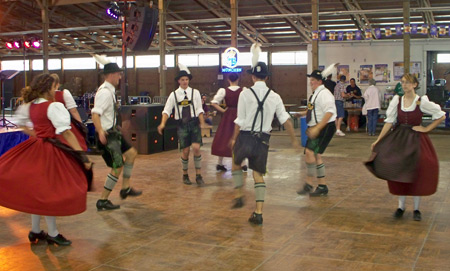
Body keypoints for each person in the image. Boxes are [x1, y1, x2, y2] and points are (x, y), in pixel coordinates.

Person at [0, 73, 92, 246]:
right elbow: (66, 132)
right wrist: (82, 155)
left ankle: (35, 230)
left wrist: (37, 134)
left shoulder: (30, 105)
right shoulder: (53, 107)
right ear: (49, 88)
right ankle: (52, 233)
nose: (55, 90)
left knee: (39, 192)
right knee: (49, 192)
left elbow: (21, 124)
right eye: (54, 87)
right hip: (49, 152)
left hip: (35, 147)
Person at [230, 43, 300, 225]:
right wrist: (294, 141)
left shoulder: (245, 94)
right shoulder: (275, 96)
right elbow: (286, 120)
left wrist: (233, 138)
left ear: (253, 76)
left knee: (236, 163)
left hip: (245, 136)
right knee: (258, 175)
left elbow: (240, 120)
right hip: (263, 140)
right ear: (267, 78)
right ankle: (258, 213)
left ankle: (238, 194)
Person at [365, 73, 445, 221]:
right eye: (402, 82)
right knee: (399, 171)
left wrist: (426, 129)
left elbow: (441, 115)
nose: (404, 85)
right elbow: (389, 122)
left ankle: (416, 209)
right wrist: (378, 140)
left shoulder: (421, 101)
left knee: (417, 171)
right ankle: (401, 206)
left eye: (408, 82)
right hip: (400, 138)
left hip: (416, 139)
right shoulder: (397, 100)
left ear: (415, 85)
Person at [92, 56, 141, 211]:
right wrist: (100, 131)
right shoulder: (105, 93)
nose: (120, 77)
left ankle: (125, 187)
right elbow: (95, 114)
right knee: (117, 166)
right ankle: (103, 200)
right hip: (107, 136)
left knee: (132, 153)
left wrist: (115, 125)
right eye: (119, 74)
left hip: (113, 133)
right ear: (111, 75)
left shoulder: (110, 91)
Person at [158, 63, 207, 186]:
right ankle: (185, 175)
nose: (185, 81)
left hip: (194, 122)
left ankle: (198, 175)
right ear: (178, 81)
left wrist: (202, 122)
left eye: (186, 79)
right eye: (182, 80)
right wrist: (162, 123)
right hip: (182, 124)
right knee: (185, 151)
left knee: (196, 148)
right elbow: (167, 110)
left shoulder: (195, 93)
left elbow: (200, 109)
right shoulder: (174, 95)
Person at [297, 68, 337, 197]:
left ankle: (309, 184)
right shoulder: (315, 94)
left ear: (320, 81)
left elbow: (330, 112)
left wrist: (318, 128)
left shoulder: (325, 94)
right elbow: (313, 110)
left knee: (310, 152)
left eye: (313, 80)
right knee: (316, 155)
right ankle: (322, 186)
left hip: (325, 127)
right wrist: (302, 114)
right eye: (310, 80)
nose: (311, 82)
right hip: (317, 126)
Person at [210, 73, 247, 172]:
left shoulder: (224, 91)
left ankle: (220, 163)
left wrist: (223, 111)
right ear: (238, 79)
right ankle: (242, 163)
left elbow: (213, 103)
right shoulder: (243, 90)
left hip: (228, 115)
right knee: (240, 137)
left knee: (224, 137)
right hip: (240, 114)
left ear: (228, 80)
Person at [50, 73, 88, 151]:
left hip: (49, 126)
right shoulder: (64, 93)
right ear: (58, 84)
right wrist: (80, 125)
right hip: (63, 125)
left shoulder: (44, 96)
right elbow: (73, 111)